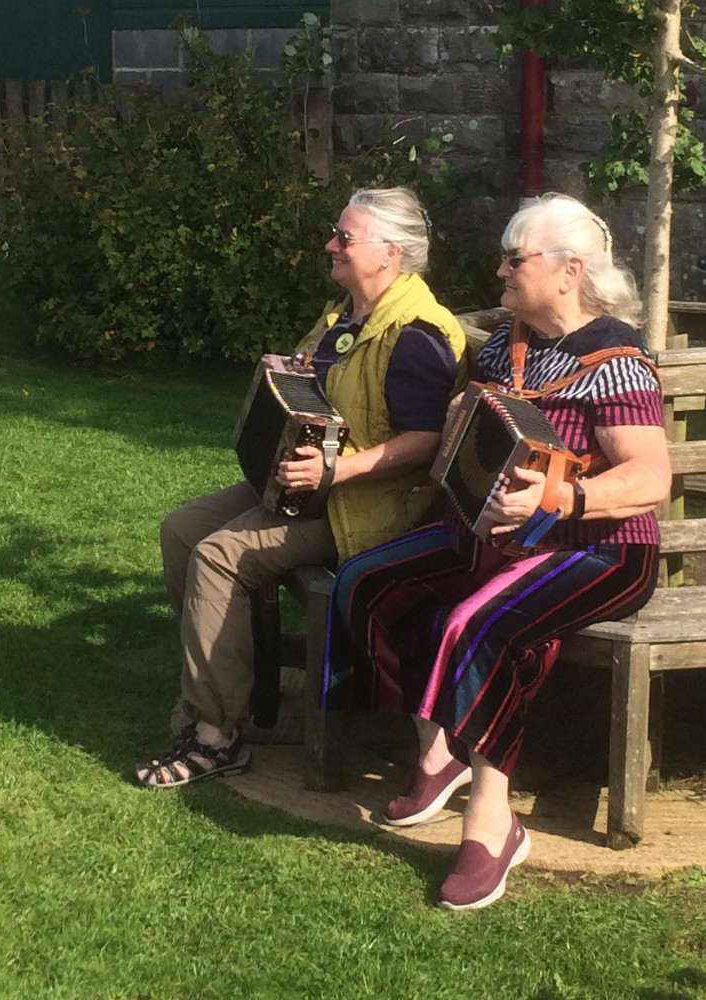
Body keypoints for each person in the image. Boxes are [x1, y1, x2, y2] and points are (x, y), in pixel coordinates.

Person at [323, 193, 671, 910]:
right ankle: (437, 746)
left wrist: (560, 500)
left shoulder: (617, 360)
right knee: (364, 582)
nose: (500, 269)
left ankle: (493, 813)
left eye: (516, 258)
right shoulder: (501, 345)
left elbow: (649, 479)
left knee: (476, 622)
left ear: (570, 271)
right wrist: (461, 428)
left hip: (600, 548)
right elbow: (475, 433)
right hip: (496, 535)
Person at [135, 188, 469, 788]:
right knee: (182, 530)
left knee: (219, 557)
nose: (330, 245)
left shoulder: (416, 333)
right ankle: (234, 688)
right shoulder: (346, 313)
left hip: (368, 509)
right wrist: (289, 373)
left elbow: (428, 440)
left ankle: (215, 737)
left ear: (390, 253)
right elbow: (323, 388)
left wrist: (336, 472)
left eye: (345, 237)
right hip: (306, 486)